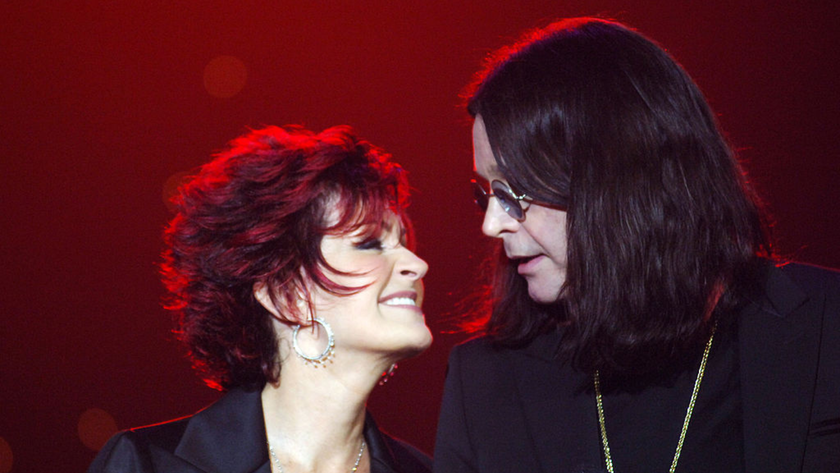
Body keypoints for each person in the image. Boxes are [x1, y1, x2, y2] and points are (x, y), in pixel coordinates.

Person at [433, 17, 840, 473]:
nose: (491, 224)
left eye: (514, 193)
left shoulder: (826, 326)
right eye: (487, 194)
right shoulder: (488, 383)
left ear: (618, 181)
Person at [89, 125, 433, 473]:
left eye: (405, 243)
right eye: (369, 243)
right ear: (286, 295)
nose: (417, 264)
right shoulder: (149, 464)